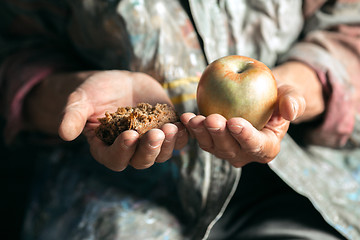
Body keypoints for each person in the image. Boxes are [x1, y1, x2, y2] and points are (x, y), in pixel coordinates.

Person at [0, 0, 359, 239]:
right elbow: (16, 49)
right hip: (111, 193)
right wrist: (72, 96)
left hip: (293, 187)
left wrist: (293, 92)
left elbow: (350, 24)